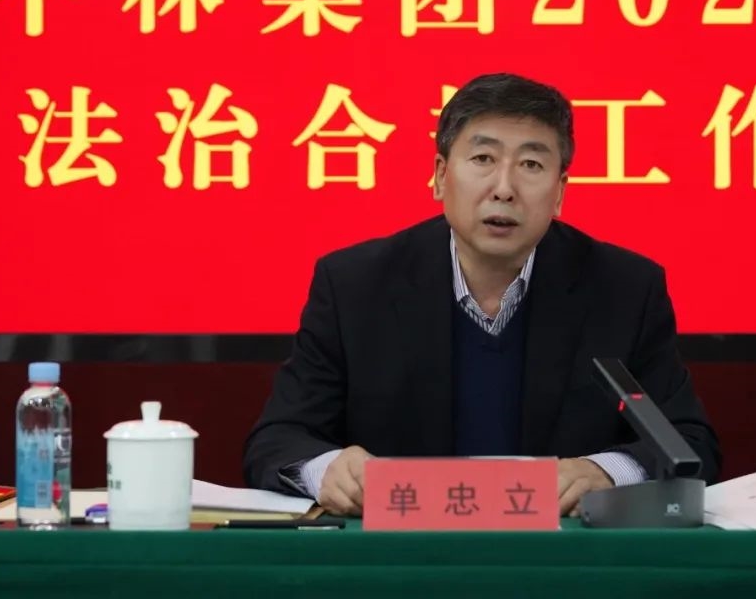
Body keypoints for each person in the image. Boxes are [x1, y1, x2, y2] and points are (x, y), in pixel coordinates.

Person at [243, 72, 721, 516]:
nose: (504, 188)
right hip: (401, 557)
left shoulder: (624, 288)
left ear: (559, 191)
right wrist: (327, 470)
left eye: (531, 164)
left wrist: (605, 472)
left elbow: (688, 443)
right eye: (483, 159)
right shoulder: (355, 285)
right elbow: (278, 438)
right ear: (440, 176)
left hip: (563, 559)